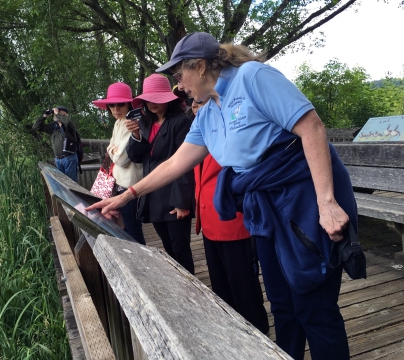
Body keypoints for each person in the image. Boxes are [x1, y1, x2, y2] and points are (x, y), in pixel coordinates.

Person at [86, 33, 358, 360]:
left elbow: (312, 127)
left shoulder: (252, 78)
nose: (178, 85)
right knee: (283, 305)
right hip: (266, 212)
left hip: (303, 200)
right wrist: (127, 195)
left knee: (314, 307)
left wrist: (326, 203)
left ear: (200, 67)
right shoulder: (209, 110)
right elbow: (175, 163)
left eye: (179, 75)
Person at [191, 100, 269, 334]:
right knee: (220, 284)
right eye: (193, 103)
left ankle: (258, 332)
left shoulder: (230, 130)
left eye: (200, 102)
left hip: (233, 221)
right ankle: (232, 330)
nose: (195, 106)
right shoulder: (198, 134)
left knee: (243, 283)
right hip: (209, 222)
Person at [125, 74, 196, 275]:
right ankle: (178, 290)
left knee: (181, 251)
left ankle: (192, 292)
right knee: (168, 249)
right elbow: (136, 157)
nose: (152, 103)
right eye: (149, 99)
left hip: (173, 195)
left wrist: (182, 201)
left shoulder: (181, 122)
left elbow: (185, 162)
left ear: (168, 99)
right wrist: (136, 136)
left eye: (158, 98)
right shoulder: (144, 123)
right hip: (153, 194)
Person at [92, 82, 146, 245]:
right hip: (121, 184)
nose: (115, 108)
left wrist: (113, 150)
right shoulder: (119, 122)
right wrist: (113, 149)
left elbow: (121, 159)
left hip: (130, 185)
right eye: (111, 105)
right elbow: (112, 148)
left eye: (120, 104)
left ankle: (142, 264)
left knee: (132, 231)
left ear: (129, 103)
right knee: (126, 228)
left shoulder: (131, 123)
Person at [33, 106, 79, 182]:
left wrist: (57, 113)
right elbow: (36, 127)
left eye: (57, 112)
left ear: (64, 114)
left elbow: (66, 121)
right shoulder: (54, 126)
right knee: (62, 184)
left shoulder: (69, 124)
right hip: (58, 159)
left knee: (71, 183)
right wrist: (44, 116)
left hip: (69, 158)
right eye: (54, 113)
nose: (55, 115)